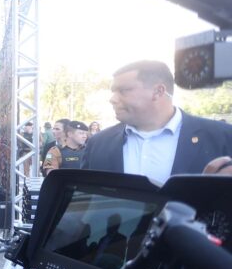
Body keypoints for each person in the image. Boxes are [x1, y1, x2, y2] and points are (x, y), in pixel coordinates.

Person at [82, 60, 232, 183]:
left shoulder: (222, 137)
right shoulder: (98, 144)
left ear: (158, 91)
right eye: (113, 92)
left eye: (123, 91)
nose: (112, 99)